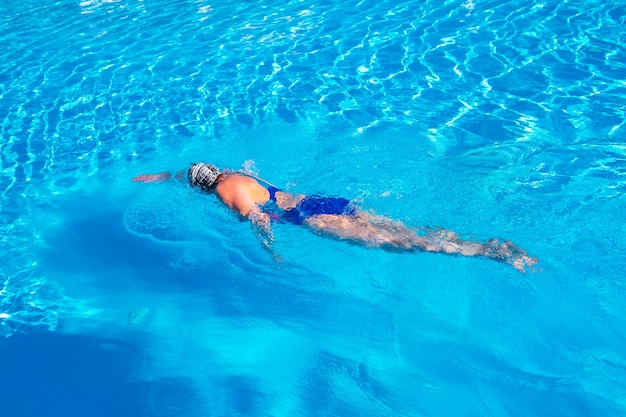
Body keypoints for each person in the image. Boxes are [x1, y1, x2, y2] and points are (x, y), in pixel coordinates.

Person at [133, 163, 538, 273]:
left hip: (313, 220)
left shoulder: (224, 195)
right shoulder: (235, 173)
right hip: (324, 201)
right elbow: (191, 171)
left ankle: (489, 253)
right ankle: (480, 240)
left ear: (204, 188)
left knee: (402, 244)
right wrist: (164, 175)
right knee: (402, 228)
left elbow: (258, 218)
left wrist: (270, 252)